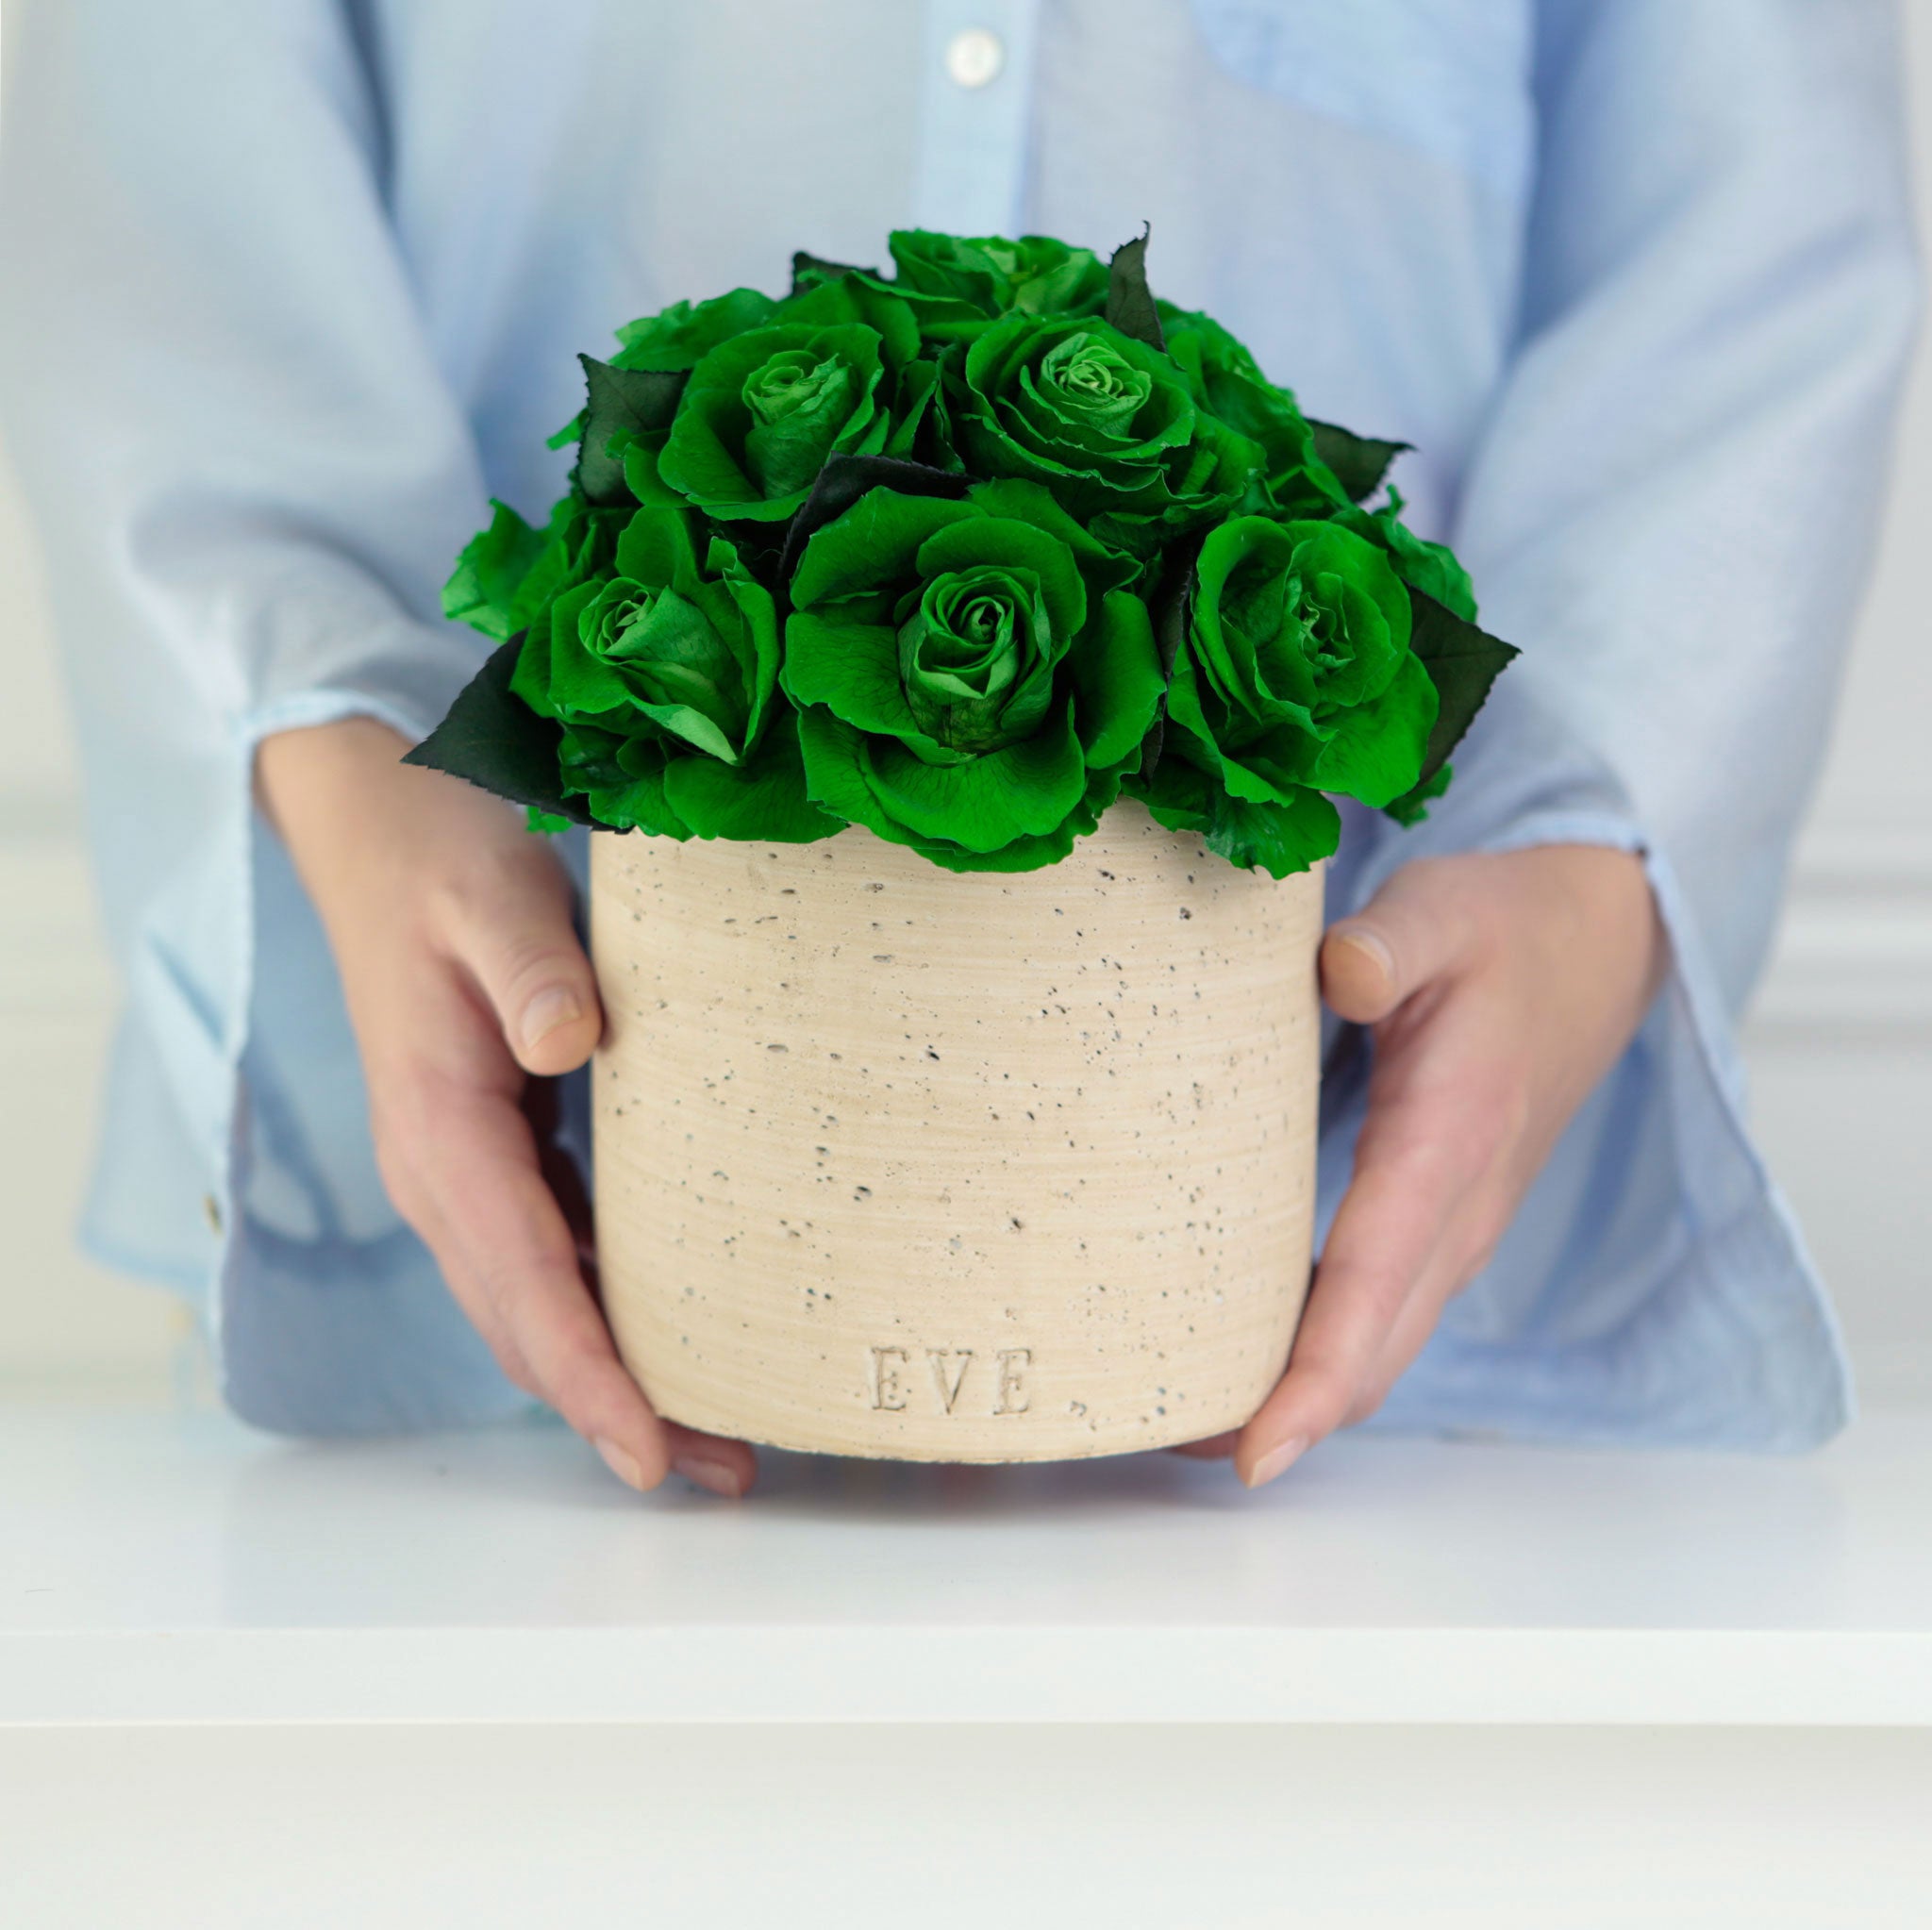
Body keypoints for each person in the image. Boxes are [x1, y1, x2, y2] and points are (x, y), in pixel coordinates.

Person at [0, 0, 1917, 1498]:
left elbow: (1752, 213)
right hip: (489, 1316)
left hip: (1399, 1323)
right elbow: (166, 163)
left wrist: (1585, 828)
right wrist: (340, 745)